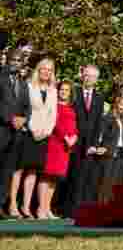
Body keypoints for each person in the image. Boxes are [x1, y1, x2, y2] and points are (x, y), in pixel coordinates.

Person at [11, 57, 57, 219]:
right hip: (28, 133)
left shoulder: (53, 90)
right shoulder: (29, 86)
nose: (46, 72)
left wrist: (47, 132)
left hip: (44, 135)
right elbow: (25, 110)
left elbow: (53, 115)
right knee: (19, 169)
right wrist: (33, 130)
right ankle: (12, 205)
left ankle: (26, 206)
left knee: (33, 171)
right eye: (43, 68)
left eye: (50, 70)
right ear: (38, 70)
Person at [67, 65, 105, 213]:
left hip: (89, 144)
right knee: (72, 176)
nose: (89, 79)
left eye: (93, 77)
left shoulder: (99, 97)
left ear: (96, 80)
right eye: (87, 75)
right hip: (73, 141)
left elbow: (98, 122)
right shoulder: (74, 92)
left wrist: (94, 144)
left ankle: (83, 209)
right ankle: (69, 209)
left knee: (85, 177)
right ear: (82, 75)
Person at [38, 80, 77, 220]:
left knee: (55, 178)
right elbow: (54, 123)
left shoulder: (71, 108)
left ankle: (47, 208)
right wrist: (65, 137)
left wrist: (74, 137)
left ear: (70, 93)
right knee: (46, 176)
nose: (64, 92)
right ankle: (40, 209)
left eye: (67, 90)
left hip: (65, 148)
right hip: (54, 144)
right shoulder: (52, 105)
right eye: (62, 89)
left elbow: (74, 126)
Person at [0, 43, 32, 214]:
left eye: (19, 60)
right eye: (13, 59)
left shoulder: (23, 83)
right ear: (7, 60)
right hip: (2, 130)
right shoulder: (1, 77)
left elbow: (27, 106)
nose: (15, 63)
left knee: (7, 171)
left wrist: (24, 119)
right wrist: (10, 119)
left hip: (16, 135)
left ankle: (1, 205)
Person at [91, 96, 123, 204]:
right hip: (108, 153)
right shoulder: (108, 117)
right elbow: (100, 134)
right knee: (104, 183)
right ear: (116, 104)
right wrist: (98, 146)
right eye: (122, 104)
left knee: (114, 183)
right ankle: (100, 207)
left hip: (119, 154)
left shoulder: (122, 120)